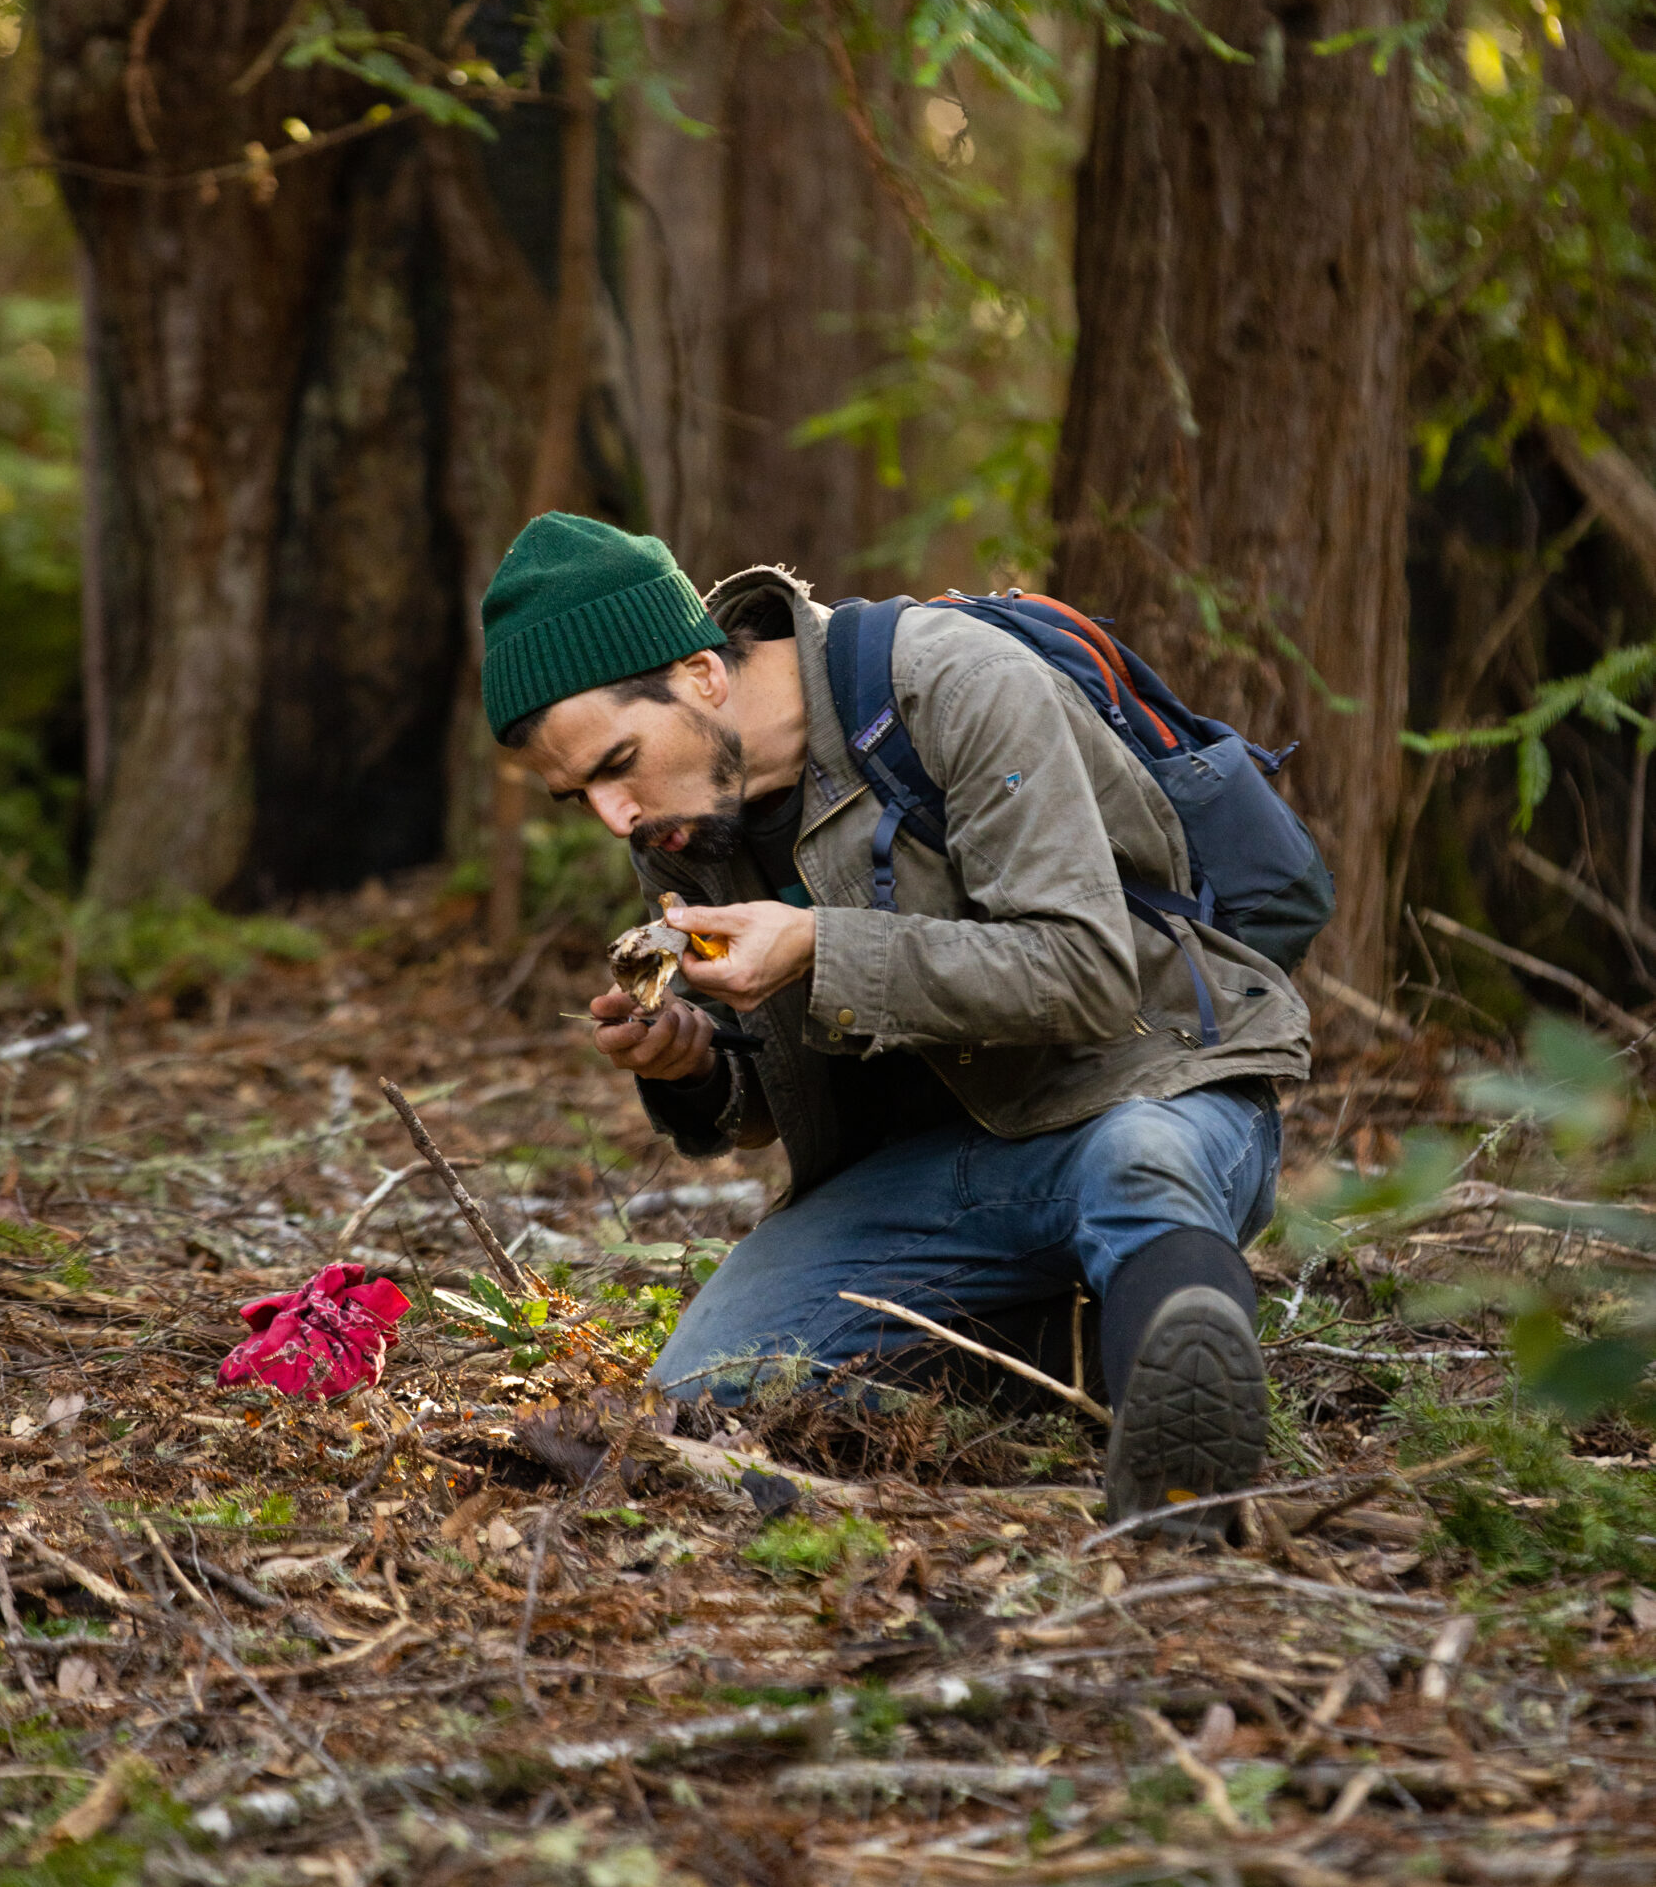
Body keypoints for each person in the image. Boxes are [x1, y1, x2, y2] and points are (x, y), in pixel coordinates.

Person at [482, 511, 1311, 1526]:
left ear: (701, 674)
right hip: (930, 1174)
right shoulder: (682, 813)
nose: (615, 816)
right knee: (705, 1395)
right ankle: (1122, 1351)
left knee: (1138, 1164)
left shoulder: (951, 685)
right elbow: (772, 1088)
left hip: (1144, 1085)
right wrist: (690, 1068)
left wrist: (817, 945)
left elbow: (1087, 969)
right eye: (579, 796)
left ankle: (1184, 1483)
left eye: (616, 764)